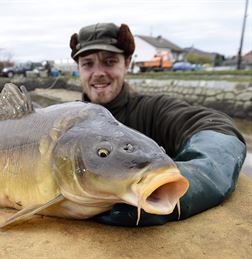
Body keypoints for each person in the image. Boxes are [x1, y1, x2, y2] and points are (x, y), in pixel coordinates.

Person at [69, 22, 247, 226]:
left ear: (127, 63)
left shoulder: (154, 110)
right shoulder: (63, 124)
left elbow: (218, 127)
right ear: (78, 68)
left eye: (109, 62)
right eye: (88, 64)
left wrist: (194, 179)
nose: (98, 72)